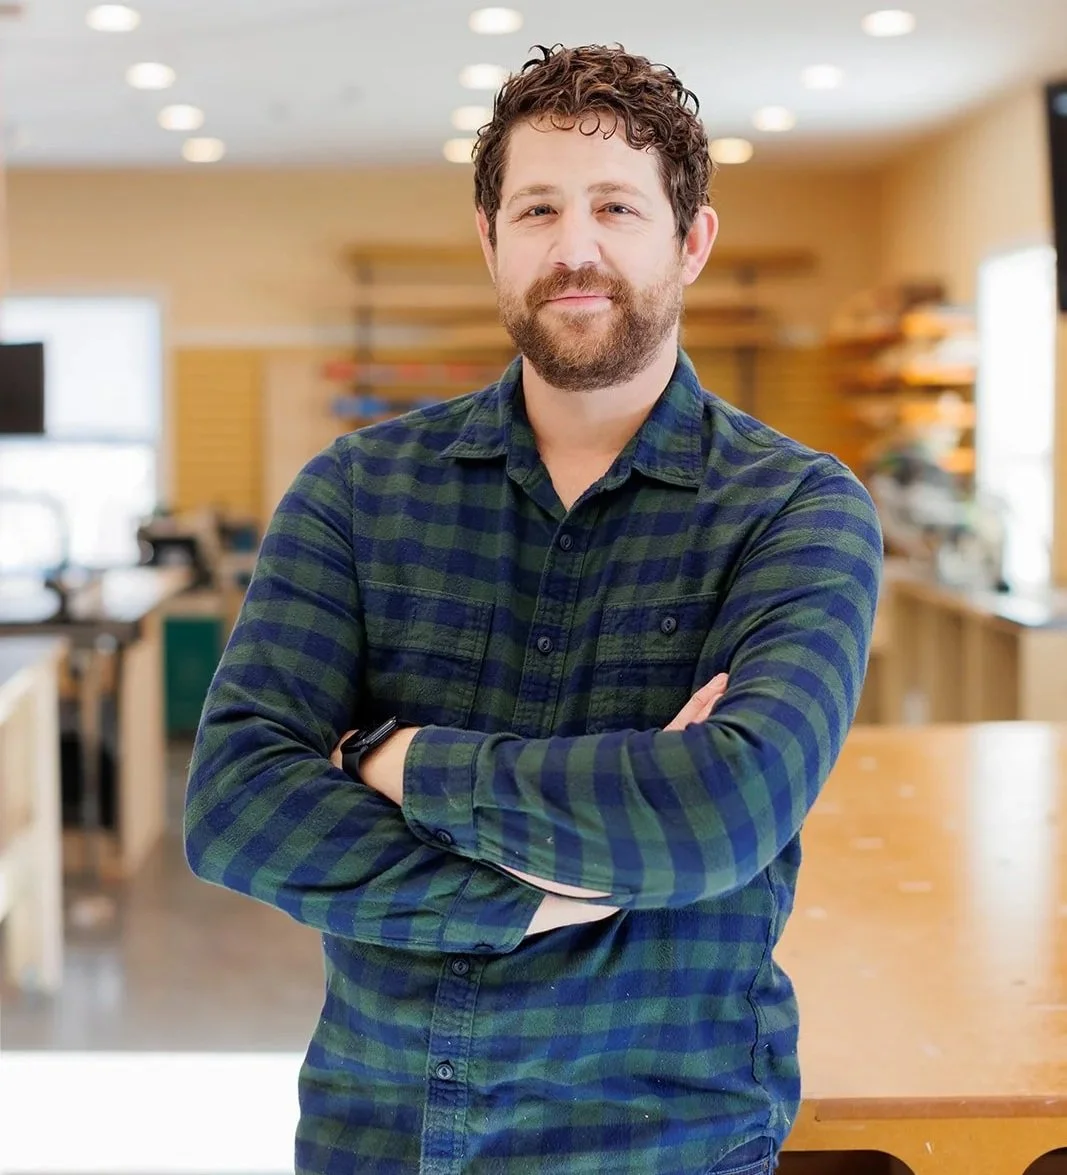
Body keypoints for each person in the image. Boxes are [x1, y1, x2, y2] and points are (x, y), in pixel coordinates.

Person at [184, 42, 883, 1175]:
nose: (575, 248)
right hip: (382, 1132)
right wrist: (536, 896)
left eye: (616, 206)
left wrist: (399, 761)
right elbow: (234, 810)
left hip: (667, 1136)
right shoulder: (356, 494)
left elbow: (718, 814)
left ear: (690, 238)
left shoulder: (796, 511)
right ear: (490, 240)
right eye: (537, 209)